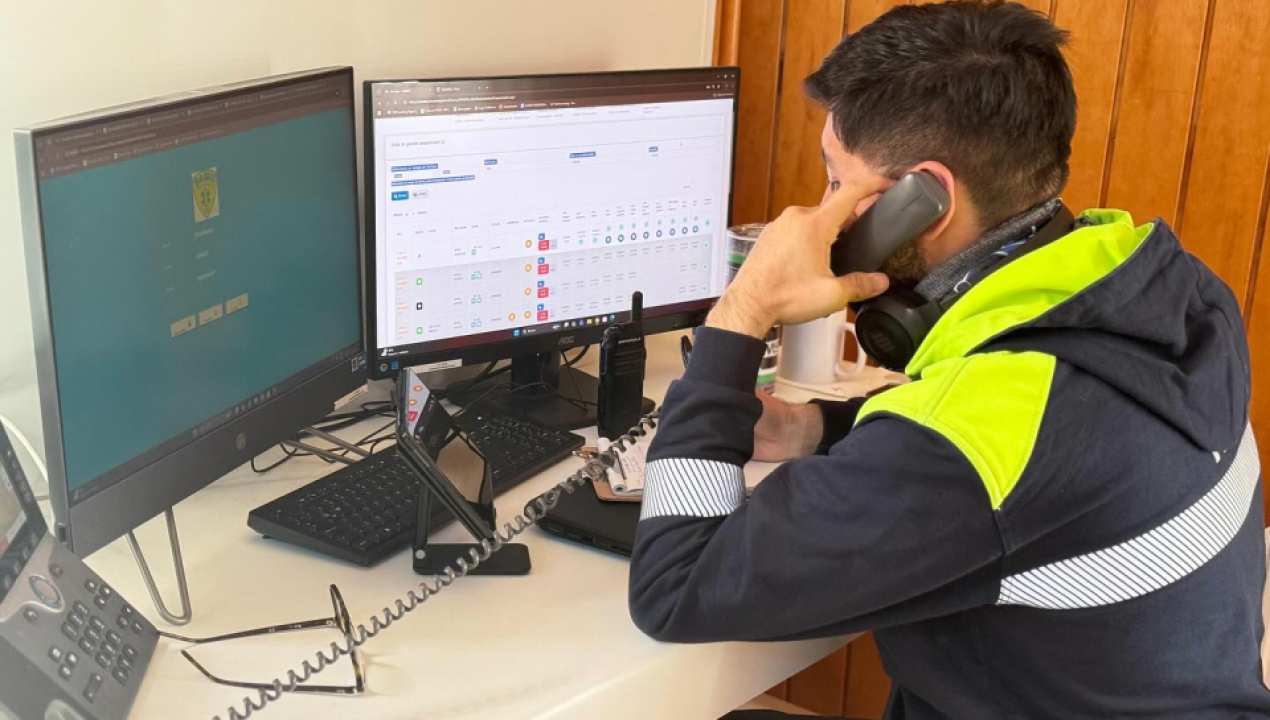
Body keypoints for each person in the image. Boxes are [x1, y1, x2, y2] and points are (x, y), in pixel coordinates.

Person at [626, 2, 1270, 719]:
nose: (819, 210)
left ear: (923, 200)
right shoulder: (1171, 294)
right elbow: (1031, 438)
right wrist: (815, 428)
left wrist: (742, 308)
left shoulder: (968, 444)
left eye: (837, 182)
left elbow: (675, 587)